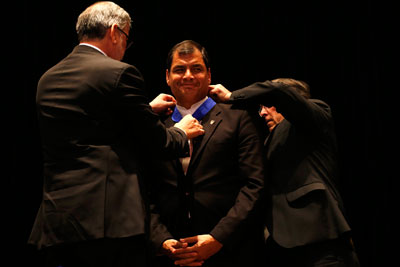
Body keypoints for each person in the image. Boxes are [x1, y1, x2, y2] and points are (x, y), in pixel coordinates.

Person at [28, 2, 204, 267]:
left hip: (59, 222)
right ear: (114, 32)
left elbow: (96, 128)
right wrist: (181, 132)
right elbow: (158, 141)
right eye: (126, 39)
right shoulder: (119, 73)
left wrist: (145, 110)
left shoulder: (47, 79)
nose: (125, 47)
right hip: (109, 223)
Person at [209, 78, 360, 266]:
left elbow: (277, 90)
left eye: (268, 106)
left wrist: (232, 96)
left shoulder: (315, 115)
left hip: (322, 247)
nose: (262, 113)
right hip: (284, 249)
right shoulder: (269, 140)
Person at [147, 40, 266, 267]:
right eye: (180, 70)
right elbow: (142, 188)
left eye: (197, 69)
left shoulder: (238, 117)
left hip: (229, 250)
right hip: (170, 252)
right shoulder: (153, 125)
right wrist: (160, 239)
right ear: (167, 77)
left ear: (209, 76)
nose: (188, 75)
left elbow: (254, 185)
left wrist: (218, 238)